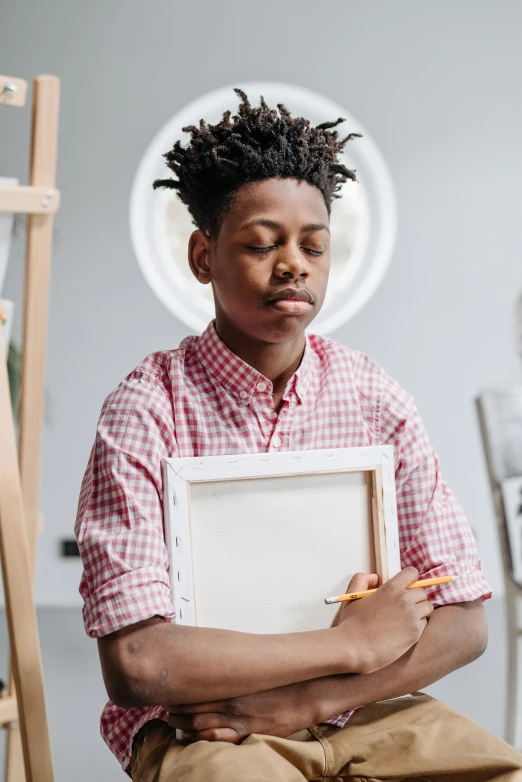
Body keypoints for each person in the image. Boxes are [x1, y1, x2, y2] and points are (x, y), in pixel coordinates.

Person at [75, 90, 521, 781]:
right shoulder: (147, 409)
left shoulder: (376, 397)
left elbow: (465, 621)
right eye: (261, 244)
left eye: (314, 245)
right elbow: (139, 662)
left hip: (364, 711)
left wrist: (314, 696)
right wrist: (349, 645)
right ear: (202, 256)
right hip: (204, 728)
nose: (294, 265)